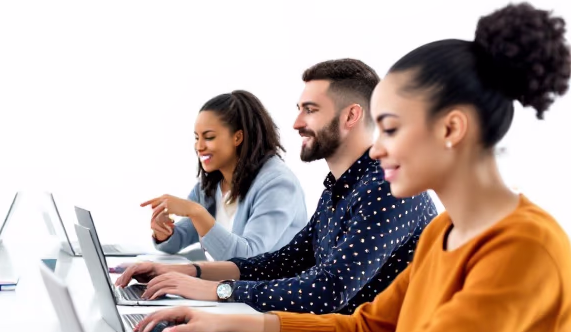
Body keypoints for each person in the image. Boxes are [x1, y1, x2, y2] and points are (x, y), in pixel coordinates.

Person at [117, 3, 571, 332]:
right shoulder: (443, 233)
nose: (376, 148)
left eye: (391, 128)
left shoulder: (524, 248)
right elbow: (367, 330)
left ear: (452, 128)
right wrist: (225, 319)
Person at [117, 59, 437, 312]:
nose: (296, 123)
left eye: (310, 110)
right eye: (299, 110)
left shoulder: (389, 187)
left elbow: (329, 290)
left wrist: (217, 290)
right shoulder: (338, 188)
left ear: (351, 115)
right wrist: (192, 273)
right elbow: (284, 262)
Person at [141, 90, 308, 261]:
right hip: (223, 278)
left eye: (209, 137)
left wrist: (196, 212)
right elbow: (177, 241)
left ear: (238, 137)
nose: (199, 147)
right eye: (197, 138)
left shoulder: (278, 185)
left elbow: (248, 257)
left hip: (270, 279)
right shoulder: (210, 187)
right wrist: (163, 231)